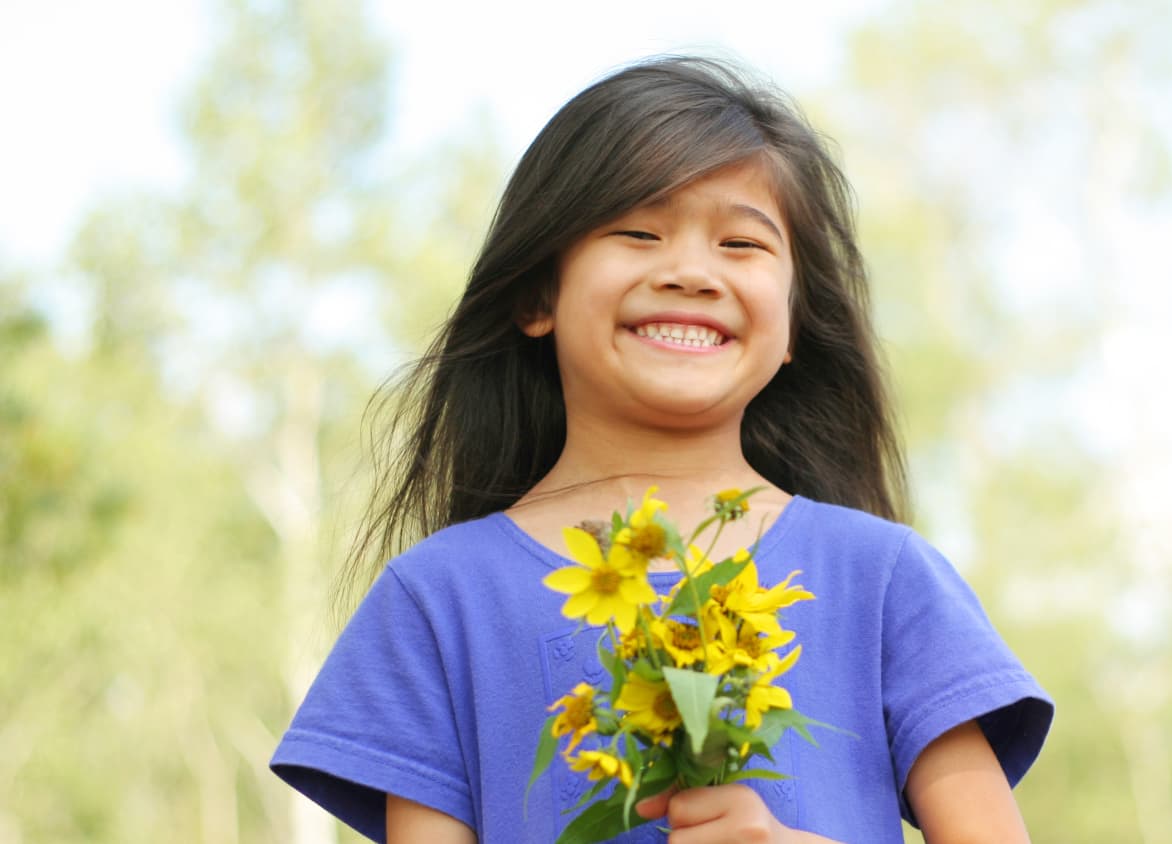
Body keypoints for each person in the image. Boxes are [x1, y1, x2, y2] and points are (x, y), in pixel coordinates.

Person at [271, 55, 1052, 843]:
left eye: (742, 245)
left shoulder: (883, 579)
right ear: (538, 294)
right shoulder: (436, 602)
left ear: (793, 323)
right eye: (638, 233)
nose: (690, 272)